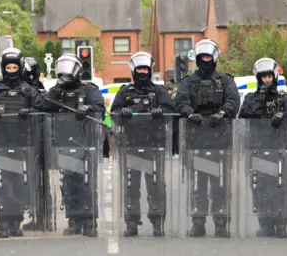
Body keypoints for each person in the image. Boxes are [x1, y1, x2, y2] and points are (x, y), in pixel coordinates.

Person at [174, 39, 240, 237]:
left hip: (220, 140)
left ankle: (221, 222)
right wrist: (188, 113)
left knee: (220, 185)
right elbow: (180, 101)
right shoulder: (188, 82)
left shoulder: (226, 81)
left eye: (207, 57)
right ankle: (198, 221)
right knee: (198, 185)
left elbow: (233, 101)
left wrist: (222, 113)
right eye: (201, 57)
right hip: (195, 140)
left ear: (214, 58)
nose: (205, 61)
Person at [0, 48, 45, 238]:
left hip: (22, 144)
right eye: (8, 67)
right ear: (3, 68)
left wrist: (31, 112)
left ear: (20, 68)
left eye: (14, 67)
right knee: (1, 184)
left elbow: (42, 109)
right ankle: (3, 223)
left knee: (19, 184)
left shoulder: (29, 91)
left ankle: (16, 222)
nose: (11, 70)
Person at [111, 51, 175, 237]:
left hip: (154, 145)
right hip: (130, 145)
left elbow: (171, 110)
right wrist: (121, 112)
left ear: (150, 70)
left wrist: (160, 111)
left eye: (145, 68)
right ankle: (131, 222)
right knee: (130, 186)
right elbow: (111, 115)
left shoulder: (159, 91)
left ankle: (157, 222)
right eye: (139, 68)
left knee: (156, 186)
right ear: (133, 70)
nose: (142, 72)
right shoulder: (125, 91)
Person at [42, 53, 106, 237]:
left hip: (86, 142)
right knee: (69, 183)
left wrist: (88, 109)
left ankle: (89, 221)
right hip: (64, 142)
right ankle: (74, 220)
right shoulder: (56, 92)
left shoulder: (89, 90)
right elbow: (44, 107)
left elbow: (99, 108)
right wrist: (56, 89)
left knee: (87, 182)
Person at [238, 57, 287, 238]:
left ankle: (281, 225)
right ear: (258, 77)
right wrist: (260, 112)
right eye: (263, 77)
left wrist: (283, 115)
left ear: (274, 76)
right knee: (260, 189)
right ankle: (265, 224)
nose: (266, 80)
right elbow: (242, 117)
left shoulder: (283, 98)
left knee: (281, 187)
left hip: (279, 150)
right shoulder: (250, 98)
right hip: (257, 149)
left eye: (269, 77)